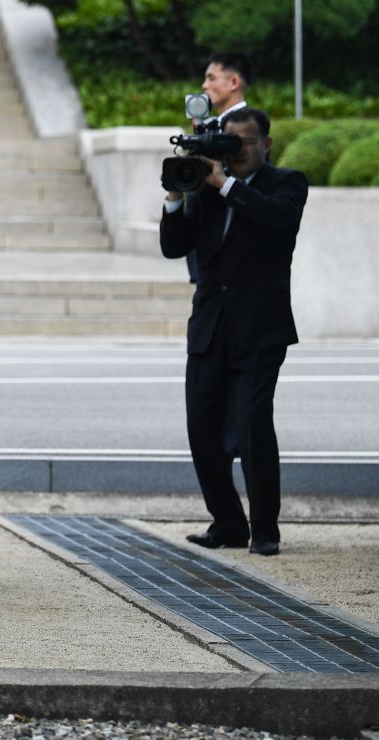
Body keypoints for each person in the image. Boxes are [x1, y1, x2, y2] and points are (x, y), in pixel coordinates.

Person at [159, 108, 308, 557]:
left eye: (244, 142)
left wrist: (223, 182)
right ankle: (227, 522)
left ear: (266, 144)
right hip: (209, 326)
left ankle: (265, 528)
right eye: (230, 140)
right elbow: (173, 247)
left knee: (251, 424)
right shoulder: (206, 187)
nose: (237, 149)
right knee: (201, 429)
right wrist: (174, 195)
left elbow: (272, 218)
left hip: (261, 328)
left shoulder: (286, 183)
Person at [187, 52, 252, 283]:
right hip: (208, 258)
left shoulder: (250, 126)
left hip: (233, 260)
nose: (204, 85)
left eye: (211, 78)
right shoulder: (214, 126)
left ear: (233, 82)